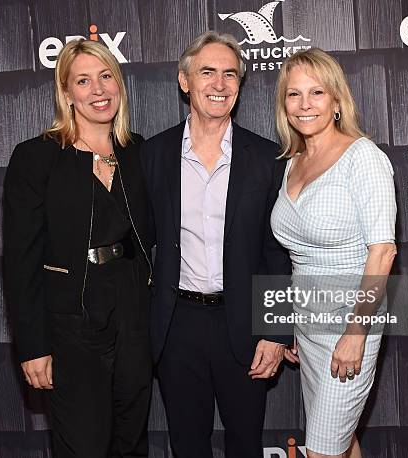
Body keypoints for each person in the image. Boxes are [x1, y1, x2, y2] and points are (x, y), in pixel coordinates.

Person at [140, 31, 291, 458]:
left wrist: (276, 330)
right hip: (176, 325)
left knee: (246, 443)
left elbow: (277, 253)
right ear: (185, 81)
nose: (219, 84)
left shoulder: (267, 158)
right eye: (207, 72)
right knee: (188, 445)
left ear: (240, 87)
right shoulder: (152, 156)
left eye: (230, 74)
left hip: (242, 322)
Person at [3, 39, 153, 458]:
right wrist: (32, 347)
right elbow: (20, 261)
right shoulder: (37, 158)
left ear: (119, 84)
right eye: (83, 81)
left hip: (134, 316)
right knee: (83, 446)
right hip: (71, 322)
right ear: (66, 93)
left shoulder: (139, 152)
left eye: (106, 77)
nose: (98, 90)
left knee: (131, 442)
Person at [270, 48, 397, 458]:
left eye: (317, 93)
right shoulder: (293, 163)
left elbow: (382, 253)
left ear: (337, 101)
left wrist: (357, 333)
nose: (304, 104)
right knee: (341, 443)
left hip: (350, 323)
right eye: (294, 94)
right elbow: (298, 257)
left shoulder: (363, 158)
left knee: (322, 451)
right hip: (308, 325)